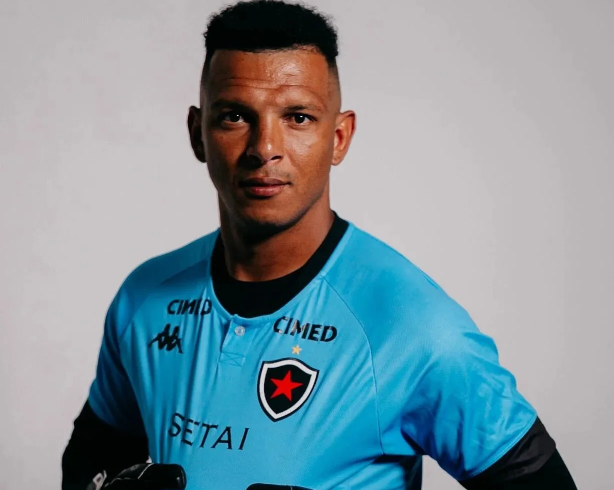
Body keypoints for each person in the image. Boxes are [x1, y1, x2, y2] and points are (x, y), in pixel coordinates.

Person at [62, 1, 577, 489]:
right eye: (235, 116)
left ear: (339, 137)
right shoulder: (145, 298)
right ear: (198, 133)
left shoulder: (416, 328)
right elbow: (89, 462)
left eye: (298, 117)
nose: (265, 148)